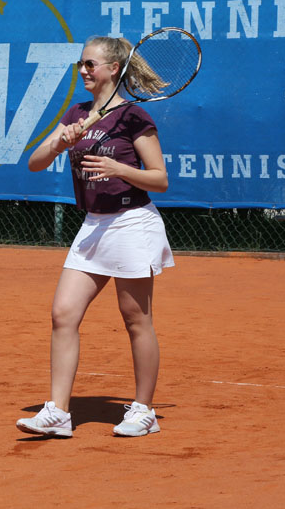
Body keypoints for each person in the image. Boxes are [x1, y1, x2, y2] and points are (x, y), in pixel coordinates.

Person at [16, 35, 173, 439]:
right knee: (63, 314)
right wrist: (59, 142)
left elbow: (160, 179)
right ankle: (58, 412)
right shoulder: (77, 112)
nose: (83, 70)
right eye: (81, 64)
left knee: (136, 319)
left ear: (113, 69)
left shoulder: (134, 117)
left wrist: (121, 170)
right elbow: (34, 163)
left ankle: (144, 411)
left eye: (91, 64)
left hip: (131, 223)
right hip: (93, 225)